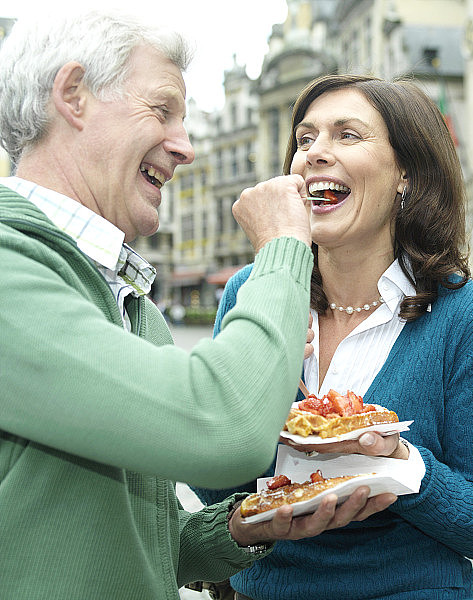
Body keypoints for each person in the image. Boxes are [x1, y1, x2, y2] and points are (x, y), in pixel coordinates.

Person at [0, 13, 393, 598]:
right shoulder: (12, 268)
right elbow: (228, 427)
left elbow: (142, 541)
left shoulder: (132, 304)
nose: (184, 147)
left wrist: (239, 527)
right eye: (162, 111)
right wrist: (285, 247)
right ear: (73, 97)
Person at [193, 74, 473, 600]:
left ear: (405, 174)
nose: (315, 153)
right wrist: (255, 389)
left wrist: (401, 465)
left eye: (347, 135)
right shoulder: (252, 293)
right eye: (305, 139)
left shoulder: (469, 318)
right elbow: (214, 485)